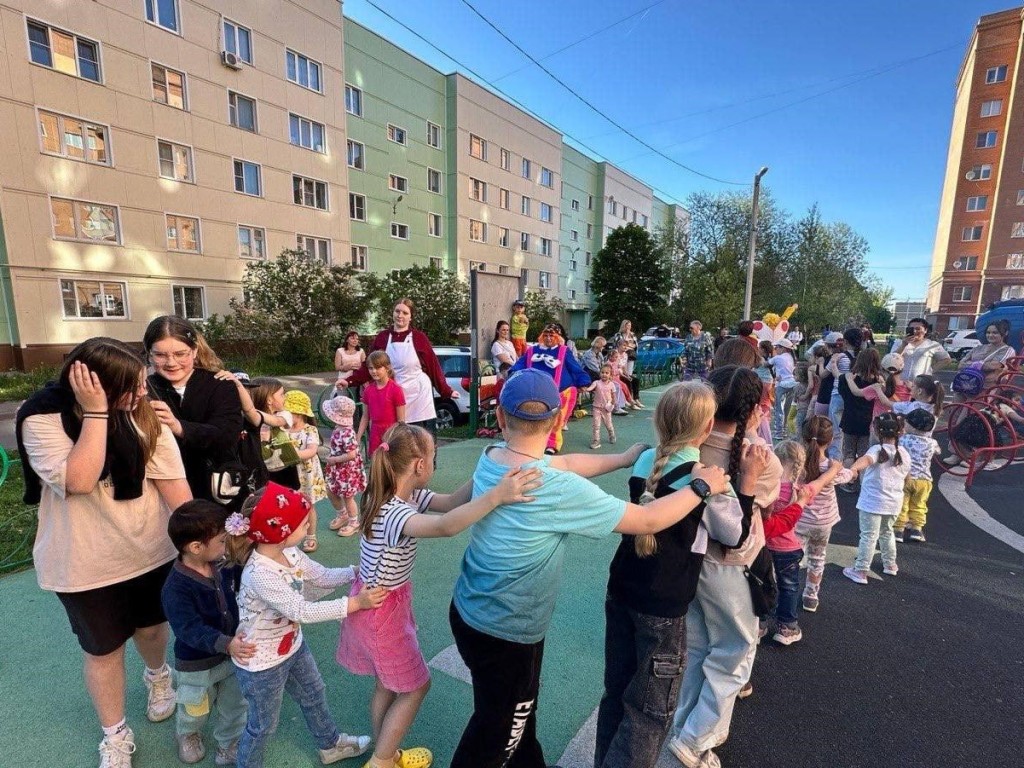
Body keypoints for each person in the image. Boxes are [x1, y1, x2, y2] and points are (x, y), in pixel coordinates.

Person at [448, 369, 730, 768]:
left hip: (469, 612)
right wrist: (700, 488)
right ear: (558, 419)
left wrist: (625, 458)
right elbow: (646, 521)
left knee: (514, 712)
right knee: (498, 731)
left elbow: (563, 462)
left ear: (499, 418)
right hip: (507, 629)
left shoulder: (493, 458)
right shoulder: (554, 488)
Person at [16, 337, 192, 768]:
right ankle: (115, 734)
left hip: (148, 551)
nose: (144, 393)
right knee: (103, 651)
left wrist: (203, 543)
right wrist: (96, 413)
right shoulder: (41, 419)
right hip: (83, 561)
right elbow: (78, 480)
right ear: (95, 387)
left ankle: (158, 676)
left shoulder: (144, 419)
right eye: (131, 387)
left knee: (152, 632)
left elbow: (177, 495)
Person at [337, 424, 541, 768]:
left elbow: (450, 502)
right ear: (419, 465)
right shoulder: (397, 513)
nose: (436, 463)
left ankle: (385, 751)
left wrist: (490, 469)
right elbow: (445, 525)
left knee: (387, 684)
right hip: (380, 613)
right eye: (435, 457)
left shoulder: (393, 493)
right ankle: (383, 760)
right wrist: (496, 496)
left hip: (380, 605)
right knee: (416, 686)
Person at [596, 382, 768, 768]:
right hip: (664, 604)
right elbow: (735, 534)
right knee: (650, 711)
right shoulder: (702, 479)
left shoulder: (646, 461)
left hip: (622, 587)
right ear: (707, 428)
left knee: (617, 694)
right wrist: (746, 485)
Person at [667, 366, 783, 768]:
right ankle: (695, 741)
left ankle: (685, 728)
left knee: (698, 648)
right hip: (732, 568)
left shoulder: (689, 442)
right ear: (753, 409)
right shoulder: (760, 458)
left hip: (690, 563)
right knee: (734, 653)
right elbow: (749, 522)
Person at [225, 484, 387, 768]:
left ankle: (330, 745)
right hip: (261, 663)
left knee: (314, 694)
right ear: (280, 533)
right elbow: (302, 611)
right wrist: (355, 604)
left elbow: (319, 576)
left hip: (292, 647)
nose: (309, 525)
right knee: (263, 726)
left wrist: (353, 573)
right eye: (302, 524)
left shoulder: (290, 553)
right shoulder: (260, 573)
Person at [161, 501, 252, 765]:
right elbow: (189, 629)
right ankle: (188, 733)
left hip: (231, 656)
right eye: (222, 541)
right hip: (196, 664)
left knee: (235, 703)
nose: (226, 547)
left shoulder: (220, 563)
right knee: (195, 707)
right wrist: (225, 643)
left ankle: (229, 742)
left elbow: (241, 573)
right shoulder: (176, 588)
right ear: (196, 548)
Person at [144, 316, 245, 504]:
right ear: (149, 354)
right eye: (160, 355)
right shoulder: (143, 388)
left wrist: (179, 427)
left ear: (195, 351)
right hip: (162, 492)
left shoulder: (219, 384)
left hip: (216, 491)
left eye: (180, 354)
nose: (171, 363)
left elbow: (227, 435)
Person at [347, 298, 457, 437]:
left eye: (405, 313)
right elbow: (369, 365)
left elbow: (433, 366)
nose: (400, 315)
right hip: (392, 394)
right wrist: (349, 381)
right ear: (393, 313)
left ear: (410, 317)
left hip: (419, 396)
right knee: (396, 441)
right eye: (397, 311)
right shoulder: (382, 337)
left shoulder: (419, 338)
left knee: (421, 440)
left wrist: (446, 391)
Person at [764, 441, 838, 647]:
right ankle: (786, 626)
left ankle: (759, 623)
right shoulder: (800, 491)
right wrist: (835, 467)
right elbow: (822, 482)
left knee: (763, 584)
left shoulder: (768, 487)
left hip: (763, 545)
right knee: (788, 587)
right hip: (788, 547)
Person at [794, 417, 854, 613]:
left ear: (804, 438)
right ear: (829, 440)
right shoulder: (832, 467)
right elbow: (848, 476)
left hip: (800, 520)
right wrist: (852, 470)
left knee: (793, 558)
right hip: (824, 522)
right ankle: (811, 595)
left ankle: (787, 588)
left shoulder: (797, 466)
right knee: (818, 558)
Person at [843, 413, 910, 584]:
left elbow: (865, 460)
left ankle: (861, 570)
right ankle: (890, 564)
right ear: (901, 431)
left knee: (868, 535)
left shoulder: (876, 450)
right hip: (894, 502)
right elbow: (907, 477)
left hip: (872, 502)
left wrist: (853, 470)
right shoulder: (903, 453)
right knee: (887, 532)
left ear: (876, 431)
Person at [508, 323, 593, 454]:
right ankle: (533, 442)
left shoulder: (564, 351)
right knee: (534, 419)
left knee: (555, 419)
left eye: (551, 336)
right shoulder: (532, 351)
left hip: (560, 392)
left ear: (557, 337)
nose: (548, 338)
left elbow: (575, 367)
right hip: (535, 392)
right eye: (546, 335)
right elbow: (520, 364)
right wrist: (513, 373)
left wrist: (583, 381)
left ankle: (552, 445)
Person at [283, 390, 326, 553]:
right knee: (289, 505)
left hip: (306, 475)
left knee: (308, 506)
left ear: (299, 413)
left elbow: (312, 450)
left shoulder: (309, 430)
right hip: (289, 474)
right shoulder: (283, 429)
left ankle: (311, 536)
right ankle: (291, 535)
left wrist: (289, 455)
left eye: (288, 413)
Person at [836, 349, 884, 489]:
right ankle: (863, 482)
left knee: (849, 451)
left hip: (850, 417)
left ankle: (847, 481)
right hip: (868, 420)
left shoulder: (846, 378)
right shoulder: (878, 380)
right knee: (864, 452)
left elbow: (842, 394)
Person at [321, 396, 365, 537]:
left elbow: (352, 454)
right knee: (331, 491)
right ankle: (342, 514)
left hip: (346, 470)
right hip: (338, 469)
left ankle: (354, 522)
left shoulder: (347, 433)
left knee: (348, 497)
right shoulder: (339, 428)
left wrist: (334, 459)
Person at [894, 409, 939, 544]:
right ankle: (916, 529)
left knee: (902, 504)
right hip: (924, 480)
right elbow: (938, 451)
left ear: (912, 426)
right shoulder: (932, 443)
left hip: (905, 478)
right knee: (919, 504)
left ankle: (898, 529)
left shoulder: (903, 439)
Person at [357, 351, 407, 454]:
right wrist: (358, 436)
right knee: (376, 466)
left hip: (391, 437)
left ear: (387, 368)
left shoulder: (396, 390)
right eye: (371, 368)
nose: (374, 371)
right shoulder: (368, 390)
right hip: (375, 435)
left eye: (378, 367)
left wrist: (392, 439)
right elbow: (365, 417)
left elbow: (401, 421)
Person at [953, 320, 1015, 398]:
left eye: (995, 333)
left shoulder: (1007, 350)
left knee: (970, 410)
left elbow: (992, 366)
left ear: (1005, 333)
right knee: (956, 409)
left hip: (984, 389)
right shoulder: (979, 348)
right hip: (963, 384)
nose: (990, 335)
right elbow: (960, 365)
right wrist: (980, 364)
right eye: (988, 332)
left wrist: (970, 363)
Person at [583, 363, 618, 449]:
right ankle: (596, 441)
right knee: (596, 425)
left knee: (608, 424)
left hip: (606, 408)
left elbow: (614, 396)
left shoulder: (612, 385)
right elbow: (590, 388)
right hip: (596, 407)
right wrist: (585, 389)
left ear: (610, 375)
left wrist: (613, 402)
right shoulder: (596, 383)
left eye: (607, 373)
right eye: (602, 372)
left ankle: (611, 434)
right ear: (600, 373)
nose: (604, 374)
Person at [770, 339, 797, 438]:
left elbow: (765, 363)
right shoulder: (792, 357)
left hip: (781, 384)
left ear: (783, 348)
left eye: (777, 347)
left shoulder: (778, 358)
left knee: (778, 409)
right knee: (787, 408)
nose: (775, 349)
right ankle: (784, 430)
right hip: (792, 383)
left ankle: (778, 433)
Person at [610, 320, 640, 401]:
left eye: (630, 325)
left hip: (630, 356)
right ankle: (629, 399)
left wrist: (629, 345)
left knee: (629, 374)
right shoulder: (619, 335)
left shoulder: (632, 335)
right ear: (623, 326)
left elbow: (635, 345)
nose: (629, 327)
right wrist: (628, 344)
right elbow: (616, 344)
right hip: (620, 356)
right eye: (627, 325)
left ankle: (634, 398)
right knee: (625, 377)